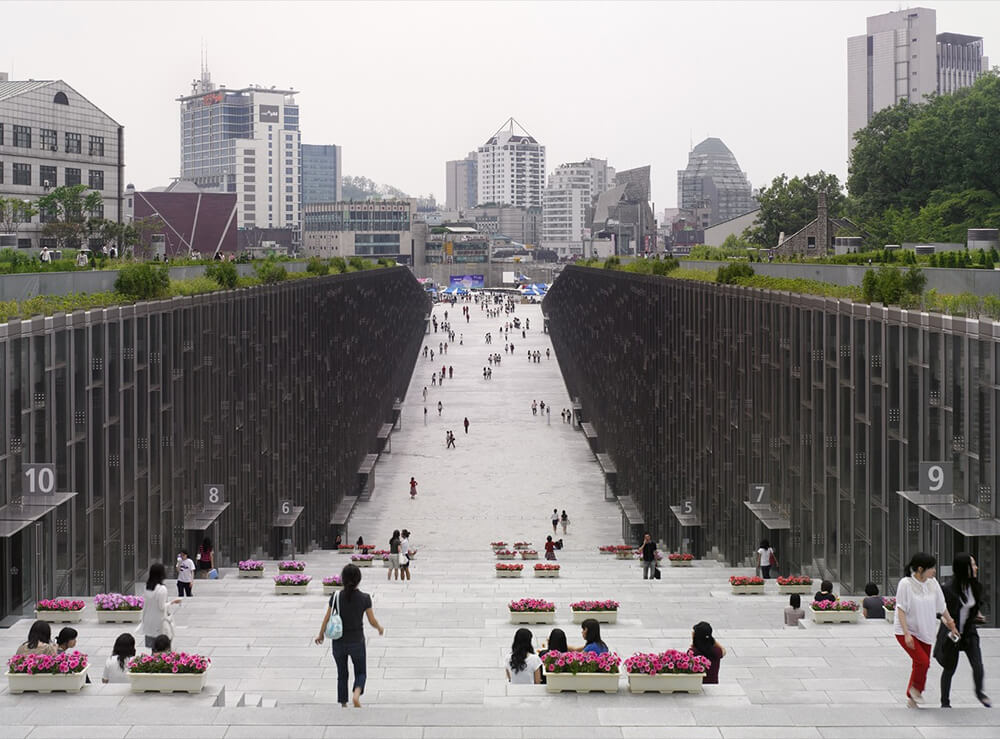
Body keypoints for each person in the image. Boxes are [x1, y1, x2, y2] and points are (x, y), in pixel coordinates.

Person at [315, 563, 384, 708]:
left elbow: (326, 618)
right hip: (357, 641)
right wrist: (379, 627)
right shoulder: (365, 598)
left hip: (338, 642)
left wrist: (320, 635)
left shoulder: (336, 596)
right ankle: (356, 695)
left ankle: (343, 703)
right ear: (359, 579)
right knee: (360, 672)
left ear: (342, 579)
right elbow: (371, 620)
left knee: (342, 673)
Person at [895, 552, 958, 708]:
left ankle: (912, 698)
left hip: (926, 630)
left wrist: (951, 623)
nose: (934, 571)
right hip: (906, 631)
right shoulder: (905, 584)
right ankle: (915, 691)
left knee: (920, 663)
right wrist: (907, 634)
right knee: (923, 662)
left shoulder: (933, 583)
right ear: (920, 569)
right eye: (931, 568)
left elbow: (941, 606)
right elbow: (901, 609)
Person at [938, 552, 990, 708]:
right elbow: (939, 612)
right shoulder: (948, 589)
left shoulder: (975, 586)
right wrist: (949, 624)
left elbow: (974, 606)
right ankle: (945, 702)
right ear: (963, 568)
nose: (976, 568)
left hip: (969, 632)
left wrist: (977, 615)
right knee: (949, 668)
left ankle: (980, 693)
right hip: (952, 634)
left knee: (978, 664)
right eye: (972, 565)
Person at [141, 563, 181, 650]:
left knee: (153, 649)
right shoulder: (162, 589)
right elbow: (162, 607)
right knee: (164, 650)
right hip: (160, 623)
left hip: (149, 622)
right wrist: (172, 602)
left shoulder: (147, 587)